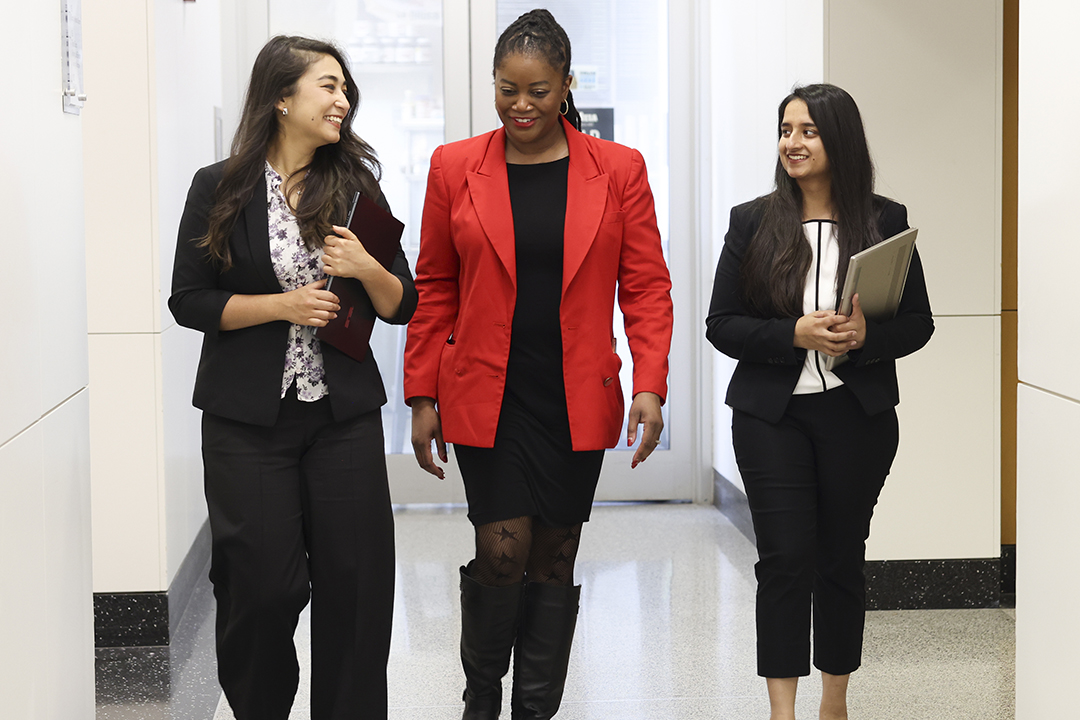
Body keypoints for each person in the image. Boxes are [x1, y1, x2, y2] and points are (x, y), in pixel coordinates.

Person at [403, 9, 673, 719]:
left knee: (553, 557)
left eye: (538, 91)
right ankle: (480, 703)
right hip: (486, 395)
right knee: (501, 552)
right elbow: (435, 285)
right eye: (507, 89)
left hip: (573, 397)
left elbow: (646, 285)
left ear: (566, 86)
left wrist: (650, 383)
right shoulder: (454, 167)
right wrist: (422, 394)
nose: (521, 106)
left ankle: (533, 712)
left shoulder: (617, 170)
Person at [169, 36, 417, 720]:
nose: (344, 100)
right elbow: (188, 301)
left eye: (345, 90)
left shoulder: (356, 186)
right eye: (328, 86)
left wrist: (369, 267)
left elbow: (403, 304)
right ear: (282, 98)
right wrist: (281, 307)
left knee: (357, 588)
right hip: (247, 423)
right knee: (260, 589)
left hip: (342, 421)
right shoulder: (217, 187)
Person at [705, 84, 933, 720]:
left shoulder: (885, 219)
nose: (792, 143)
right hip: (770, 417)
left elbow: (919, 322)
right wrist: (792, 334)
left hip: (855, 417)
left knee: (839, 559)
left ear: (840, 141)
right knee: (784, 561)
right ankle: (783, 713)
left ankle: (835, 706)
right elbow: (720, 323)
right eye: (785, 130)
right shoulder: (751, 221)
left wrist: (866, 337)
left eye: (807, 131)